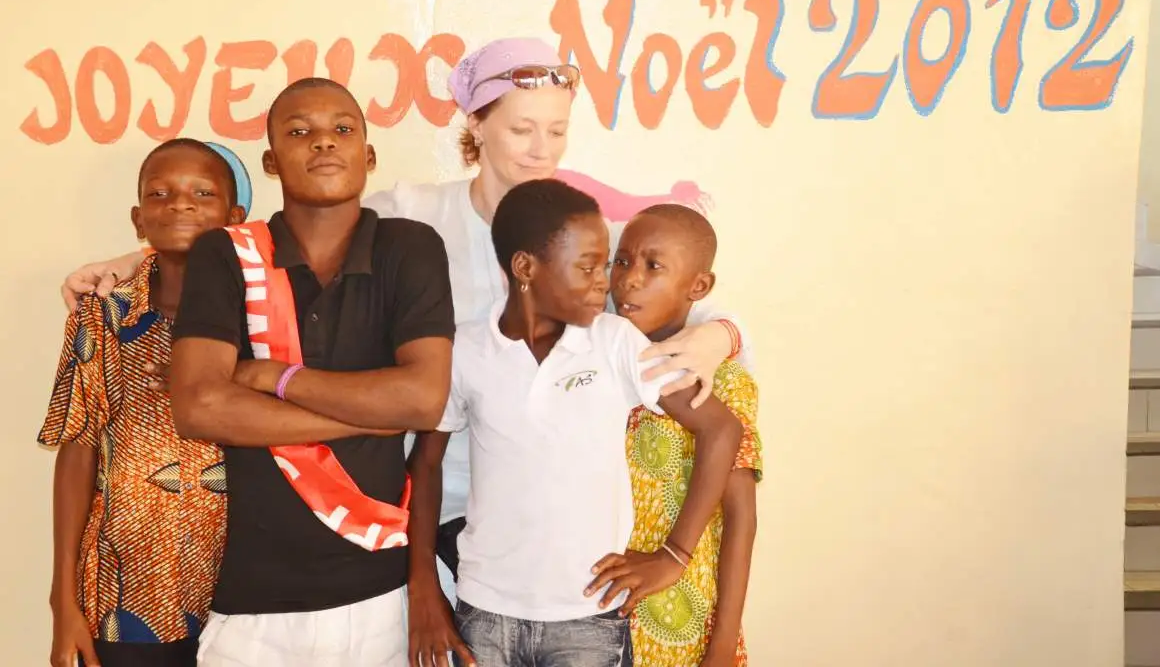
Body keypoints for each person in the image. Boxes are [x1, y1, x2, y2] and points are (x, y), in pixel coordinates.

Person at [55, 38, 753, 655]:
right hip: (436, 523)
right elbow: (301, 221)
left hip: (555, 548)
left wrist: (722, 332)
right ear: (476, 126)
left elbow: (672, 286)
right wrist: (145, 257)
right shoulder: (416, 211)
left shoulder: (585, 229)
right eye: (521, 129)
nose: (540, 149)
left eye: (556, 131)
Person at [168, 78, 455, 667]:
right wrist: (366, 419)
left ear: (367, 156)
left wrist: (276, 378)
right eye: (300, 132)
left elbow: (423, 399)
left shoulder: (410, 246)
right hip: (254, 608)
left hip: (382, 597)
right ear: (271, 161)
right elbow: (200, 407)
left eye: (341, 129)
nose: (323, 142)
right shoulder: (225, 254)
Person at [425, 178, 742, 667]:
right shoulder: (465, 350)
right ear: (525, 268)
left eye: (604, 264)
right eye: (588, 266)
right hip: (485, 611)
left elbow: (722, 429)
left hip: (588, 614)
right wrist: (425, 586)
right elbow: (425, 467)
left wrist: (675, 555)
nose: (606, 282)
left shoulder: (614, 341)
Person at [39, 138, 247, 667]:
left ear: (236, 218)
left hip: (241, 588)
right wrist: (63, 598)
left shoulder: (259, 318)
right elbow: (78, 449)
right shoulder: (101, 315)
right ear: (138, 218)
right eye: (160, 193)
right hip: (123, 590)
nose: (180, 204)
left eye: (202, 193)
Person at [611, 204, 762, 666]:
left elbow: (741, 518)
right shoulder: (598, 363)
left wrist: (722, 647)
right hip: (599, 616)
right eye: (622, 261)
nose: (630, 279)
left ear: (699, 287)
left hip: (685, 622)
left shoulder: (723, 381)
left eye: (653, 266)